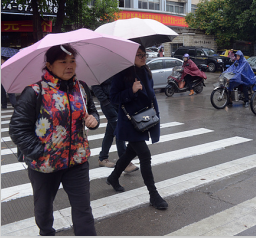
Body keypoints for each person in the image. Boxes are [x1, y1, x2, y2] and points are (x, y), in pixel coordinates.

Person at [9, 44, 100, 236]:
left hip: (77, 161)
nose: (70, 66)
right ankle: (46, 232)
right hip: (45, 166)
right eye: (63, 62)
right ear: (49, 66)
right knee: (43, 209)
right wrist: (40, 153)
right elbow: (17, 129)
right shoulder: (34, 92)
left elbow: (91, 111)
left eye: (72, 61)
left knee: (83, 210)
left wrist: (94, 120)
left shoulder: (81, 88)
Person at [107, 44, 168, 210]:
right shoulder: (122, 73)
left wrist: (156, 114)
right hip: (129, 122)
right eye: (139, 55)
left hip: (145, 119)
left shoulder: (146, 70)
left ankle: (113, 177)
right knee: (145, 155)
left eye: (145, 54)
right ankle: (153, 194)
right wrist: (131, 91)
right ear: (130, 56)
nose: (143, 57)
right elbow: (113, 98)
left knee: (129, 153)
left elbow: (151, 95)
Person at [91, 78, 139, 173]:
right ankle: (125, 162)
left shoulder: (113, 67)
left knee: (110, 132)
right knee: (119, 130)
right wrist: (105, 102)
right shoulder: (98, 69)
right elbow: (95, 86)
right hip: (108, 104)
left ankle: (102, 158)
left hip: (117, 102)